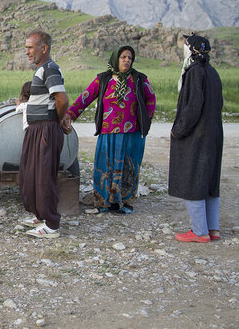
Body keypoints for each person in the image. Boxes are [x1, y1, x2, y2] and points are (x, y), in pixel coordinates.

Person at [62, 46, 156, 215]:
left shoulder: (139, 79)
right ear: (116, 58)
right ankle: (104, 202)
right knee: (105, 166)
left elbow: (151, 97)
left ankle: (126, 203)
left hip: (132, 133)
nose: (127, 60)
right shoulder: (103, 79)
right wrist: (70, 114)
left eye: (130, 57)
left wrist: (146, 119)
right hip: (108, 132)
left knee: (129, 167)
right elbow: (86, 97)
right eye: (123, 57)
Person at [169, 34, 223, 243]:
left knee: (192, 178)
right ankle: (213, 229)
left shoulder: (194, 73)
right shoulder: (213, 72)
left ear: (191, 50)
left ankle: (200, 232)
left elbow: (193, 107)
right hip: (214, 133)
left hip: (197, 136)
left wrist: (179, 130)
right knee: (209, 179)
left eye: (186, 45)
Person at [19, 30, 69, 238]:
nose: (27, 52)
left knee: (43, 177)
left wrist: (55, 120)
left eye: (30, 47)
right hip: (37, 128)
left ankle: (51, 225)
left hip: (45, 128)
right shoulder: (42, 70)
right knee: (30, 174)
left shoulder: (50, 68)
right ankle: (40, 215)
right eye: (26, 48)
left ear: (44, 48)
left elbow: (62, 100)